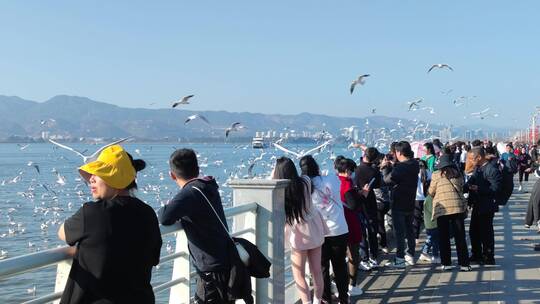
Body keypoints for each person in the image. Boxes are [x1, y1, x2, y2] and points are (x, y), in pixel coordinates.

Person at [58, 145, 162, 304]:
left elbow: (63, 234)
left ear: (115, 178)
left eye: (98, 173)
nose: (91, 178)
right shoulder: (148, 213)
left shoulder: (92, 213)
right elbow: (154, 258)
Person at [159, 149, 242, 304]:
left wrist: (169, 203)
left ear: (172, 175)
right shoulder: (207, 186)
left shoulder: (189, 193)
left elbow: (165, 217)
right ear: (197, 169)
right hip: (226, 260)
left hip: (211, 269)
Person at [273, 157, 328, 304]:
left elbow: (272, 181)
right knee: (317, 271)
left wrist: (275, 174)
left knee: (299, 274)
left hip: (299, 233)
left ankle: (307, 302)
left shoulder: (282, 191)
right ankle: (317, 301)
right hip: (314, 229)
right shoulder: (306, 181)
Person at [300, 155, 350, 304]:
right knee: (340, 265)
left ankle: (325, 299)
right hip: (339, 229)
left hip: (319, 232)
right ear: (317, 167)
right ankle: (343, 298)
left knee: (322, 268)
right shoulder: (332, 180)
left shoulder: (304, 187)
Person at [428, 154, 470, 271]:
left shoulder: (436, 174)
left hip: (443, 209)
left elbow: (431, 191)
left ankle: (446, 263)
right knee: (460, 236)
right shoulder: (457, 174)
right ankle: (464, 264)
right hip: (457, 207)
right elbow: (461, 188)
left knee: (444, 237)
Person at [381, 141, 420, 268]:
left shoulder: (402, 167)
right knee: (410, 230)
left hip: (399, 203)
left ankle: (400, 260)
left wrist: (385, 167)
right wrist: (394, 165)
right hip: (410, 201)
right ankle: (410, 255)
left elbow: (387, 180)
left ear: (399, 152)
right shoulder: (414, 164)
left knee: (399, 233)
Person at [465, 147, 502, 265]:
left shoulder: (491, 169)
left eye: (472, 158)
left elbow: (496, 189)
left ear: (479, 157)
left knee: (486, 232)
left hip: (486, 205)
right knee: (473, 231)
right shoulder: (478, 168)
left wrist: (478, 188)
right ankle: (476, 254)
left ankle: (489, 256)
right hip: (477, 204)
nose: (470, 161)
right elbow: (471, 181)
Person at [336, 158, 364, 296]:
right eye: (352, 171)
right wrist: (363, 195)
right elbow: (354, 205)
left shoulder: (334, 181)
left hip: (336, 223)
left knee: (338, 255)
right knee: (353, 253)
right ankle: (352, 285)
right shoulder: (347, 185)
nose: (353, 174)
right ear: (347, 171)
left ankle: (337, 283)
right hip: (350, 222)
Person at [353, 147, 382, 271]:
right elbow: (379, 184)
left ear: (364, 155)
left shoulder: (357, 170)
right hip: (371, 202)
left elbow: (353, 185)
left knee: (362, 233)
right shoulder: (374, 171)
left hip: (359, 203)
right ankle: (374, 257)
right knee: (372, 232)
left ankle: (364, 259)